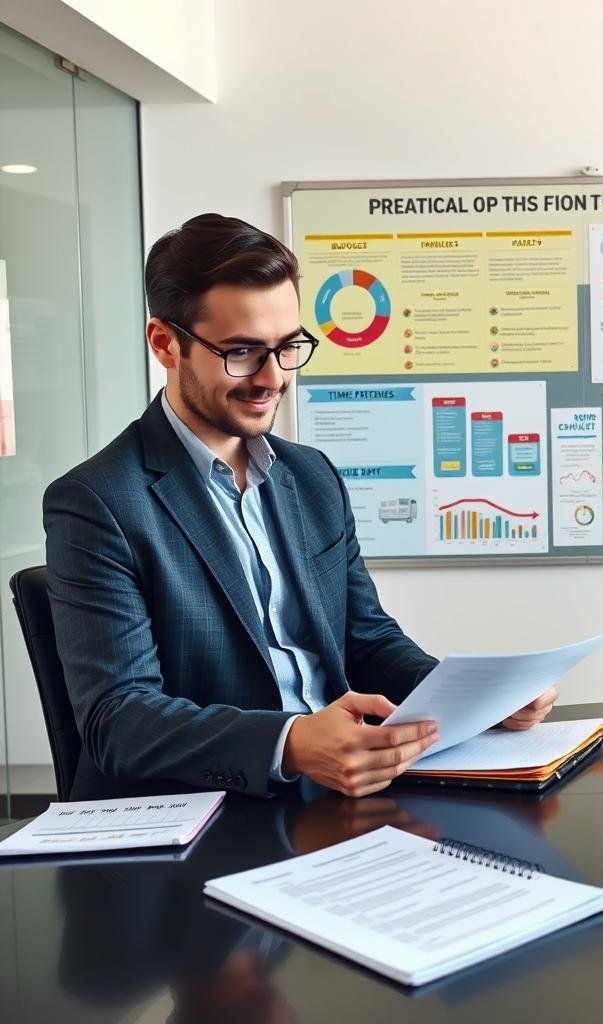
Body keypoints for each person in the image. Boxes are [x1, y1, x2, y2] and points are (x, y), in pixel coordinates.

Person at [44, 213, 556, 800]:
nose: (272, 378)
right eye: (242, 352)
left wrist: (471, 696)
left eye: (288, 348)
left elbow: (365, 639)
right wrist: (288, 743)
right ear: (165, 343)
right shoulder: (97, 501)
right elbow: (118, 718)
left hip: (345, 792)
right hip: (209, 811)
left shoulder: (309, 476)